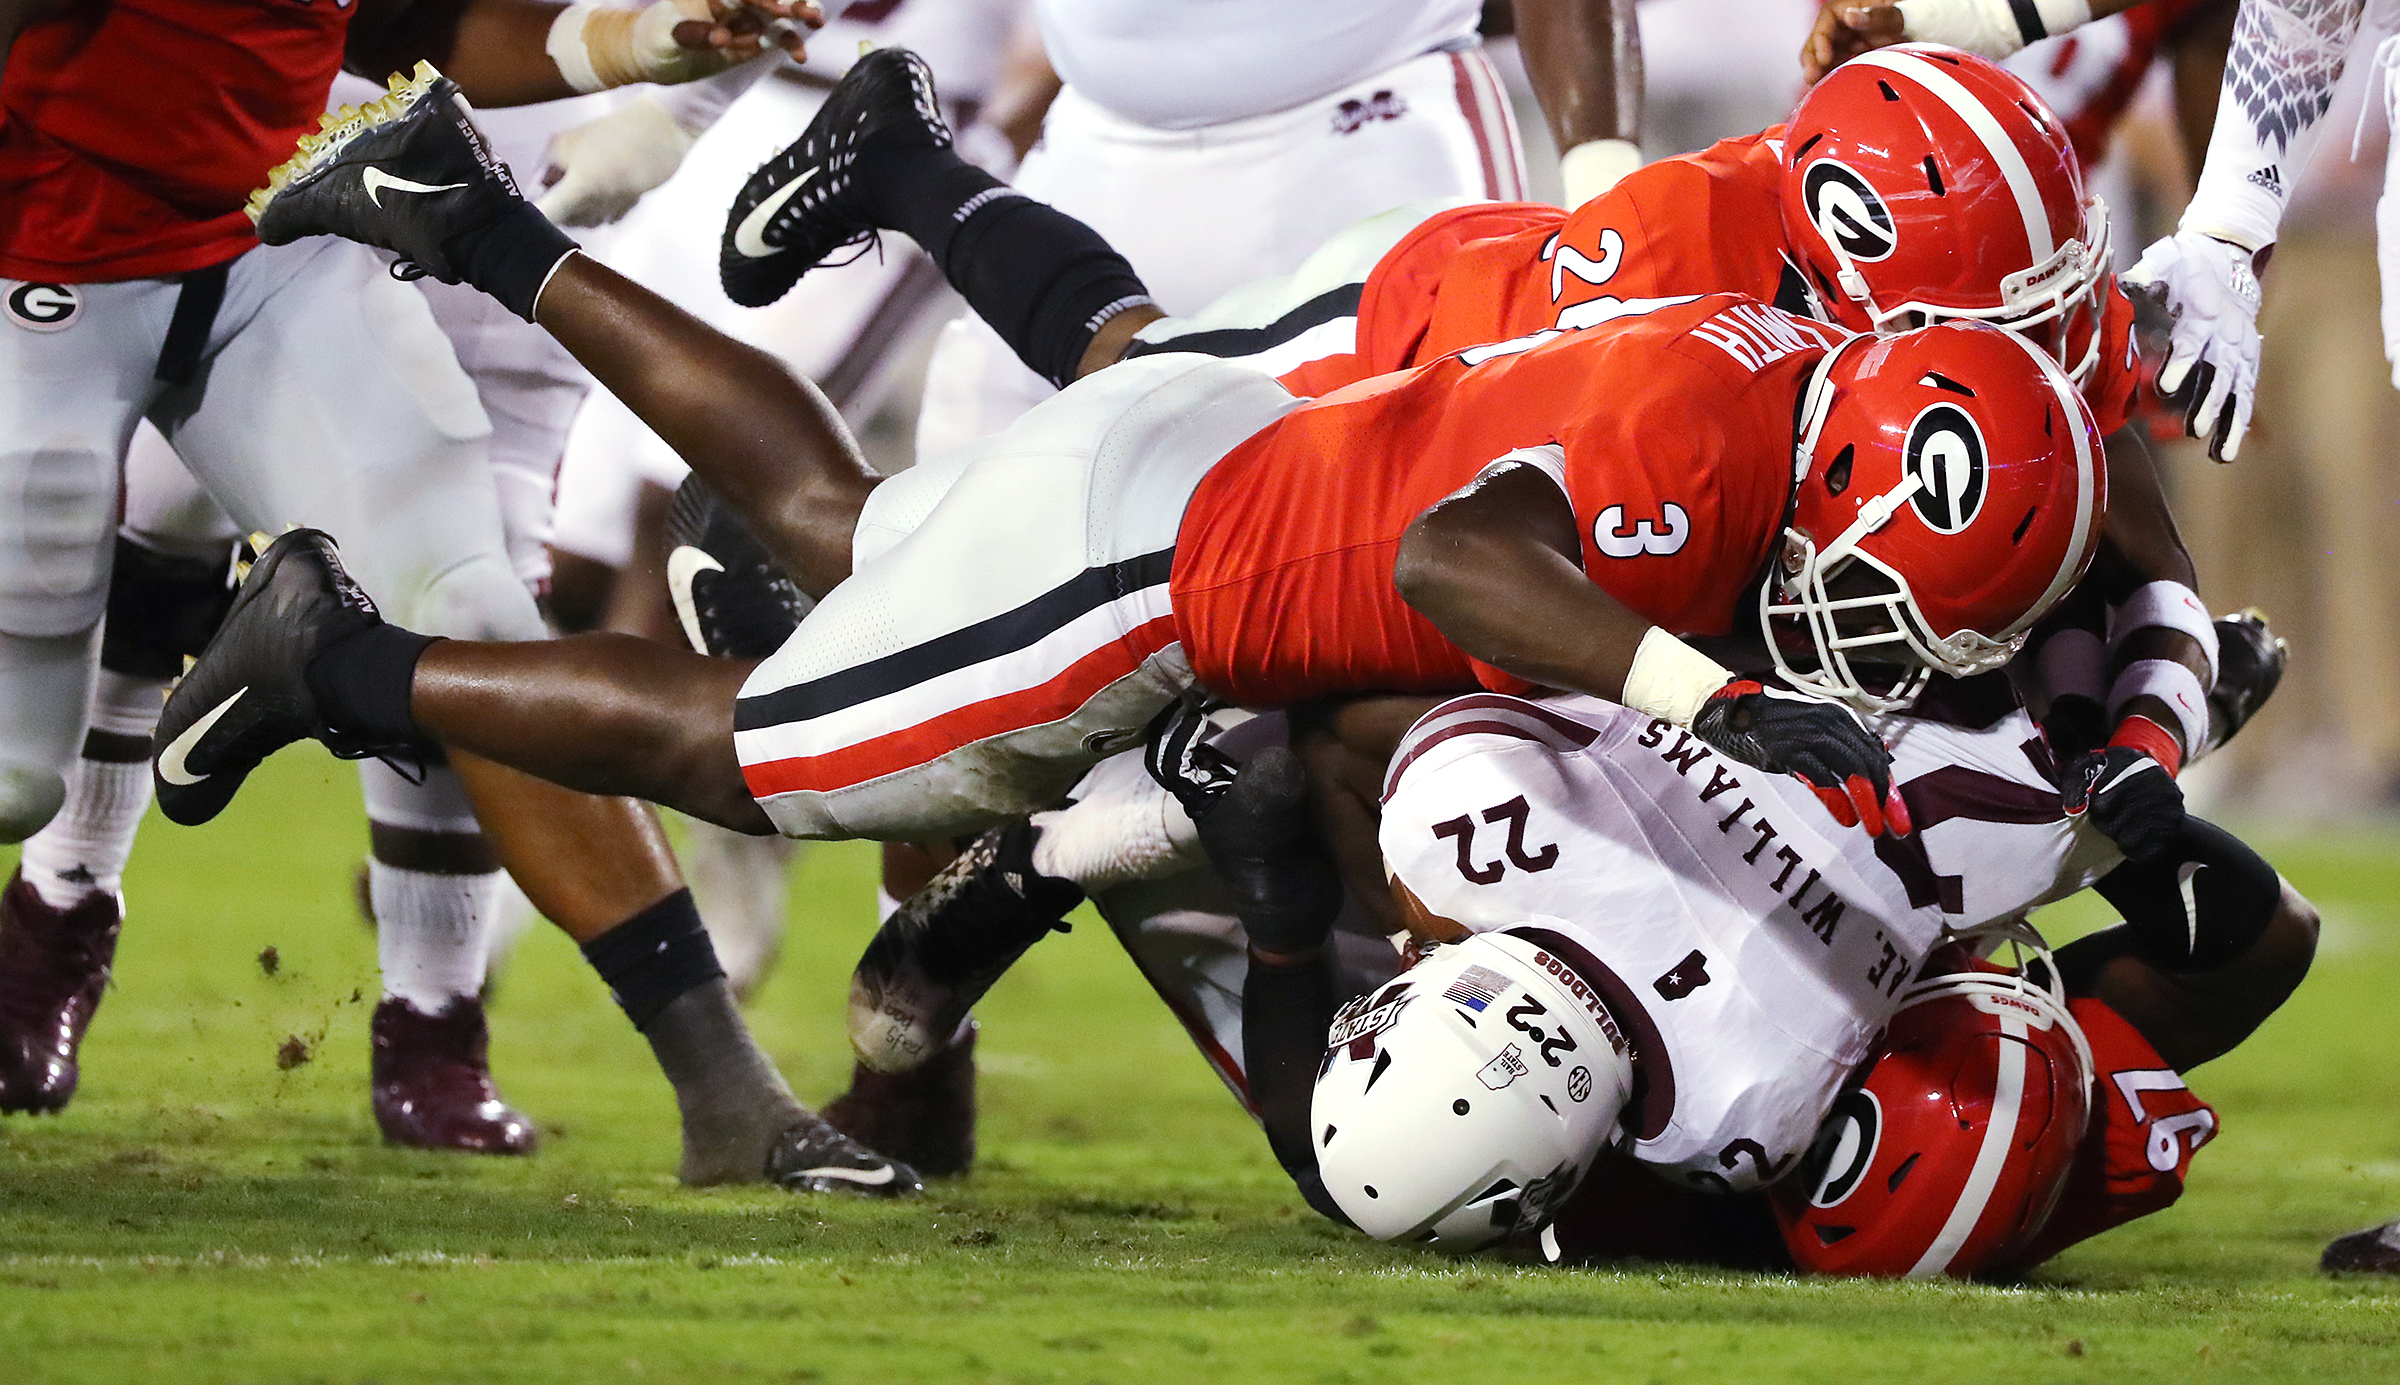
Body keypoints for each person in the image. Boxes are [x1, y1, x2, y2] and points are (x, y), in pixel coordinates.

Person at [154, 53, 2129, 866]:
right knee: (752, 758)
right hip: (1158, 551)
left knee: (858, 536)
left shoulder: (1757, 354)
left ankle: (476, 217)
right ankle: (331, 656)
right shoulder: (1703, 403)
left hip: (1208, 469)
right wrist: (1720, 693)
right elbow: (1458, 561)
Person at [736, 44, 2241, 866]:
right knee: (1131, 388)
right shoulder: (1679, 258)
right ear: (1857, 272)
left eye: (2045, 295)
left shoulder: (1984, 297)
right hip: (1431, 336)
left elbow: (2136, 539)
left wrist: (2151, 724)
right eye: (1993, 311)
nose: (2036, 342)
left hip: (1535, 402)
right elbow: (1567, 488)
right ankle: (904, 172)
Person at [0, 0, 919, 1193]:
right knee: (17, 773)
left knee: (475, 625)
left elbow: (400, 25)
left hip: (268, 255)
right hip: (48, 267)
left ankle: (730, 1094)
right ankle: (63, 905)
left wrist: (639, 41)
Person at [948, 675, 2311, 1273]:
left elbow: (1349, 1147)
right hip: (1844, 933)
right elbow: (2260, 941)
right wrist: (2092, 794)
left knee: (1348, 1118)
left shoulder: (1668, 1145)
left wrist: (1294, 900)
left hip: (1648, 959)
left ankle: (1125, 857)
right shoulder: (1944, 1107)